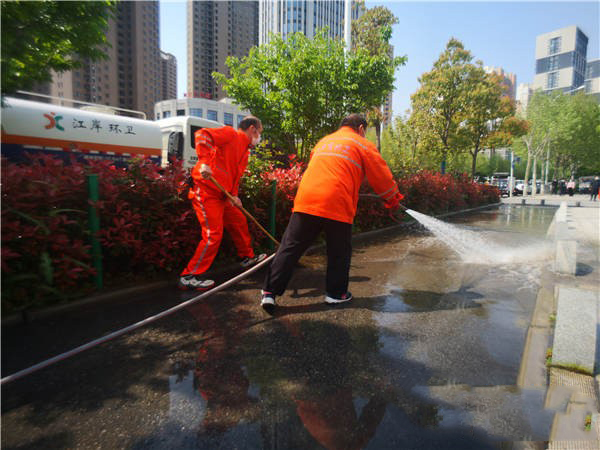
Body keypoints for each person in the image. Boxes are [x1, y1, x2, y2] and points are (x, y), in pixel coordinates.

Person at [260, 114, 403, 313]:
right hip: (337, 202)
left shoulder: (324, 142)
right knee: (339, 251)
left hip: (307, 199)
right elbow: (381, 176)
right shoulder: (362, 144)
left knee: (290, 247)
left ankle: (269, 292)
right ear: (361, 129)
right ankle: (336, 294)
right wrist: (393, 198)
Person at [179, 116, 266, 290]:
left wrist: (234, 195)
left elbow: (234, 176)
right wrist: (204, 163)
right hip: (206, 192)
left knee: (239, 221)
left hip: (224, 196)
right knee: (213, 234)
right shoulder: (230, 134)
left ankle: (247, 258)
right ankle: (189, 276)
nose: (259, 137)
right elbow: (202, 135)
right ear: (252, 129)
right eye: (260, 132)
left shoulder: (245, 151)